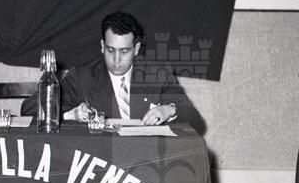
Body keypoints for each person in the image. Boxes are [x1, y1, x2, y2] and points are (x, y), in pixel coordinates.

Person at [22, 12, 205, 133]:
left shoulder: (157, 73)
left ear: (136, 49)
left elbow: (196, 122)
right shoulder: (82, 76)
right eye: (111, 50)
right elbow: (28, 109)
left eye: (124, 51)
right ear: (102, 46)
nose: (116, 60)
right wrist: (69, 115)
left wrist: (169, 110)